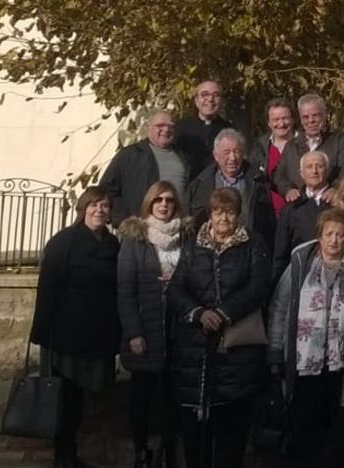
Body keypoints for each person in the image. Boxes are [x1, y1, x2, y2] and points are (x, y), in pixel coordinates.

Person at [167, 187, 271, 468]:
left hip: (236, 351)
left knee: (231, 437)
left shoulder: (253, 243)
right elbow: (176, 288)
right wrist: (199, 313)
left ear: (238, 214)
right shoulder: (193, 246)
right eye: (218, 211)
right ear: (210, 214)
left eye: (229, 211)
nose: (223, 217)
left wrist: (224, 313)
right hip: (195, 351)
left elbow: (258, 286)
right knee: (195, 440)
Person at [268, 208, 344, 468]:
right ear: (320, 236)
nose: (334, 240)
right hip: (305, 363)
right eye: (329, 234)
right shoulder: (300, 264)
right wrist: (276, 350)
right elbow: (280, 307)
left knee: (342, 434)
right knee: (304, 431)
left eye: (340, 235)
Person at [30, 187, 119, 468]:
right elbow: (47, 291)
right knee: (66, 399)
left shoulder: (113, 244)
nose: (99, 210)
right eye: (94, 205)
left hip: (99, 334)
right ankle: (64, 455)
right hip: (66, 336)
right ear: (83, 209)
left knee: (89, 400)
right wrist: (43, 335)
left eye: (104, 206)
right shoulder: (63, 243)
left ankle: (85, 452)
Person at [117, 181, 192, 468]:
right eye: (158, 200)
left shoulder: (186, 237)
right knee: (141, 396)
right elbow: (125, 289)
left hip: (177, 328)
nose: (164, 205)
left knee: (172, 397)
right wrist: (133, 332)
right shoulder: (135, 238)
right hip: (145, 327)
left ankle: (169, 450)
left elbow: (195, 277)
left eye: (169, 200)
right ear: (149, 203)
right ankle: (141, 451)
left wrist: (178, 282)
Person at [187, 128, 276, 255]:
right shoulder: (199, 184)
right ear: (216, 155)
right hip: (210, 254)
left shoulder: (259, 181)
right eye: (226, 152)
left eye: (237, 151)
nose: (233, 157)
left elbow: (269, 224)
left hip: (249, 252)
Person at [100, 109, 191, 227]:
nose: (166, 130)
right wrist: (123, 220)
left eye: (170, 126)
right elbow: (106, 189)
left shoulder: (184, 159)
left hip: (174, 231)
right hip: (139, 231)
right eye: (160, 126)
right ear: (149, 129)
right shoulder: (130, 155)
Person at [274, 94, 344, 203]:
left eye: (315, 115)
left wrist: (336, 188)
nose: (311, 120)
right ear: (300, 119)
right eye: (305, 117)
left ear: (324, 115)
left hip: (331, 205)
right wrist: (288, 190)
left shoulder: (340, 141)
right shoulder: (291, 146)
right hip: (300, 207)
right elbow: (278, 175)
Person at [272, 151, 332, 280]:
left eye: (319, 166)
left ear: (327, 171)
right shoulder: (291, 208)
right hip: (301, 276)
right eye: (309, 167)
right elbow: (280, 253)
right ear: (301, 173)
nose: (314, 171)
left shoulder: (340, 203)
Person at [249, 98, 304, 215]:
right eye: (276, 119)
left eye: (285, 118)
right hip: (269, 215)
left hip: (299, 210)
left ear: (293, 119)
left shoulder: (305, 144)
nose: (281, 124)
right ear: (269, 123)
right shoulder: (261, 147)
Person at [175, 80, 233, 180]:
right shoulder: (180, 128)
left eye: (216, 95)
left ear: (221, 101)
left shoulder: (229, 130)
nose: (210, 99)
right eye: (205, 94)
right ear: (196, 100)